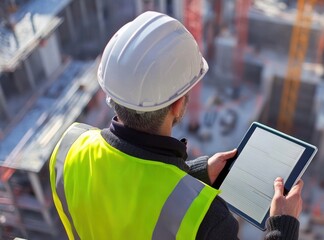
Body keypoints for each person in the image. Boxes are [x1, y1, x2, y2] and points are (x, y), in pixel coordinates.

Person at [50, 11, 304, 240]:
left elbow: (128, 191)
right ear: (177, 105)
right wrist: (283, 225)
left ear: (111, 95)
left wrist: (197, 174)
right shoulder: (209, 221)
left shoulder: (69, 148)